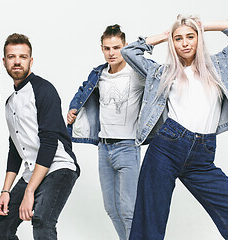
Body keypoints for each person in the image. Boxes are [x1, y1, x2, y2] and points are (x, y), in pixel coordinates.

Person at [121, 15, 228, 239]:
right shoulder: (162, 72)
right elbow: (129, 52)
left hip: (202, 155)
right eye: (179, 39)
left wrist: (203, 26)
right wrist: (164, 36)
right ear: (173, 43)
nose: (185, 43)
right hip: (166, 149)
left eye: (190, 37)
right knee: (149, 221)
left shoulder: (220, 64)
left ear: (199, 38)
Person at [0, 33, 80, 240]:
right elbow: (15, 149)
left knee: (42, 221)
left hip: (59, 166)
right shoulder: (10, 102)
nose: (17, 61)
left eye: (22, 57)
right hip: (33, 171)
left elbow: (49, 144)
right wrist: (6, 191)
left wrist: (29, 192)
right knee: (0, 231)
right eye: (12, 57)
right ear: (4, 61)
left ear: (31, 60)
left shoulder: (44, 90)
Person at [67, 24, 145, 240]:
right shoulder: (98, 74)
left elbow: (160, 78)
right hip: (104, 148)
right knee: (111, 209)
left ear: (126, 47)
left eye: (117, 48)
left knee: (129, 211)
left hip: (128, 147)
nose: (112, 53)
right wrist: (74, 108)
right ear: (102, 48)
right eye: (107, 48)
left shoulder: (138, 73)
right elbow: (83, 90)